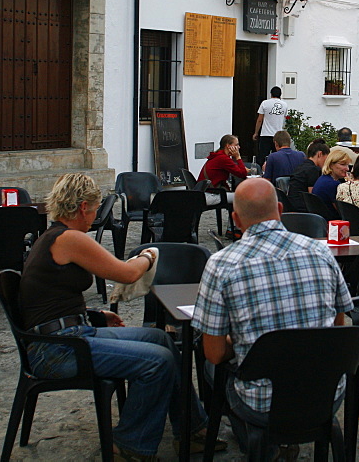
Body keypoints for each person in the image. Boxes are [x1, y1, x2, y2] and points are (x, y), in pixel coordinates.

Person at [20, 173, 216, 459]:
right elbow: (126, 273)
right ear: (83, 207)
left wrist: (92, 314)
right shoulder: (69, 238)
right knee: (157, 362)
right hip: (56, 350)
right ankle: (129, 444)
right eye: (97, 207)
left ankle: (193, 427)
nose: (96, 215)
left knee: (160, 339)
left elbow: (49, 301)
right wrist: (148, 256)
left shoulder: (54, 237)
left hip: (64, 335)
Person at [193, 178, 353, 450]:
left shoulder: (221, 264)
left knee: (210, 363)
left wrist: (246, 344)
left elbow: (216, 353)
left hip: (263, 403)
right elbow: (338, 324)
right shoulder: (321, 251)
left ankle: (250, 441)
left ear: (236, 219)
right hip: (325, 394)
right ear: (279, 209)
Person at [286, 140, 330, 211]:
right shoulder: (313, 170)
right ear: (320, 154)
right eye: (327, 158)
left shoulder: (301, 166)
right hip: (302, 208)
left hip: (291, 205)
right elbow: (312, 196)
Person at [253, 87, 288, 166]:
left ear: (271, 94)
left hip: (266, 134)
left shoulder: (265, 103)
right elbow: (284, 119)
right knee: (278, 157)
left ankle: (261, 173)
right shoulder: (284, 105)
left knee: (262, 156)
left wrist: (256, 132)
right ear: (280, 95)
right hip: (278, 135)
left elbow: (260, 119)